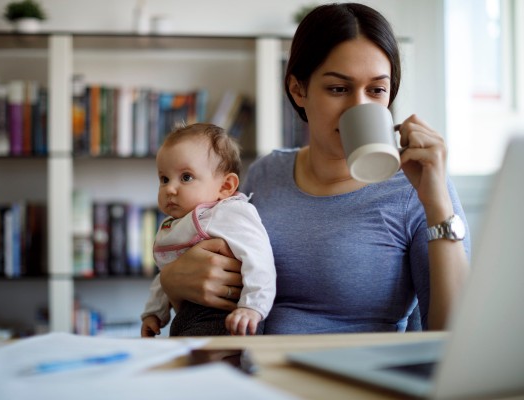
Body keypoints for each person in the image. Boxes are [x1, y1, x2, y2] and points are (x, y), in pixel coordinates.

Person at [158, 3, 471, 334]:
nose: (359, 107)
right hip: (258, 375)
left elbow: (456, 336)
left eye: (376, 90)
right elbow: (217, 296)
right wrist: (172, 281)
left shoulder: (418, 185)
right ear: (298, 90)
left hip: (358, 381)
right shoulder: (267, 173)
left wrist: (437, 204)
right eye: (338, 88)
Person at [140, 123, 276, 337]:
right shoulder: (173, 225)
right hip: (186, 316)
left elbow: (259, 258)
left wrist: (252, 306)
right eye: (164, 179)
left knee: (204, 363)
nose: (170, 189)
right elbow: (166, 273)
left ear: (225, 187)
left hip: (226, 316)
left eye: (186, 177)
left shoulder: (228, 212)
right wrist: (154, 312)